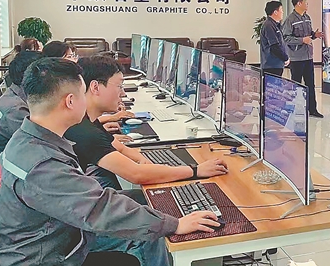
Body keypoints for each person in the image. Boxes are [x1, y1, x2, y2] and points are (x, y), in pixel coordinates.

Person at [0, 57, 220, 266]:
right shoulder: (42, 163)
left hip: (42, 241)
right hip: (36, 265)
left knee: (144, 214)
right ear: (70, 101)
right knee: (148, 235)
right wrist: (175, 224)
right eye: (83, 93)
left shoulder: (27, 138)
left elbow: (87, 198)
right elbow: (99, 209)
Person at [64, 56, 228, 191]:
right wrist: (196, 170)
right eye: (119, 86)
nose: (123, 93)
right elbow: (136, 175)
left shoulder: (88, 120)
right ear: (95, 87)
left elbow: (119, 147)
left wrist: (142, 159)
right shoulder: (85, 132)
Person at [0, 50, 44, 177]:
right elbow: (37, 145)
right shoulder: (16, 110)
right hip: (16, 170)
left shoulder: (15, 94)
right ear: (29, 76)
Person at [283, 0, 324, 118]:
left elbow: (309, 35)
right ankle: (296, 109)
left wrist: (314, 35)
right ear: (299, 3)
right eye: (306, 2)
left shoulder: (307, 17)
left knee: (310, 84)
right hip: (297, 58)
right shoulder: (290, 20)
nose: (307, 4)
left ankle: (313, 109)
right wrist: (301, 40)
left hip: (308, 56)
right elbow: (286, 38)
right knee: (296, 85)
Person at [260, 0, 290, 77]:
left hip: (277, 65)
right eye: (281, 10)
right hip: (271, 66)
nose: (282, 12)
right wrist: (285, 58)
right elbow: (274, 46)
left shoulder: (275, 25)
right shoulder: (269, 25)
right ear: (275, 12)